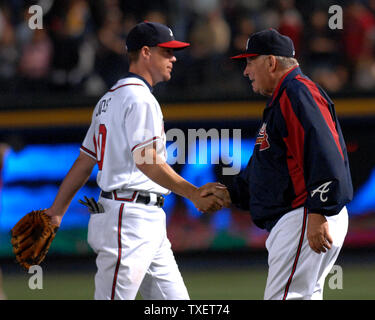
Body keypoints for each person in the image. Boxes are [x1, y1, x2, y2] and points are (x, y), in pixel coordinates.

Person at [45, 21, 224, 300]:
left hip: (144, 219)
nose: (173, 58)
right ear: (145, 53)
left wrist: (57, 211)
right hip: (127, 220)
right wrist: (193, 192)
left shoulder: (108, 99)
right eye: (166, 51)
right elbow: (147, 161)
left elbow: (85, 160)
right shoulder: (140, 99)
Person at [201, 29, 353, 300]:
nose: (246, 71)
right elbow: (271, 168)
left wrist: (319, 211)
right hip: (304, 214)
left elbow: (323, 151)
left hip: (305, 213)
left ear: (271, 62)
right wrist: (234, 193)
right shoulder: (285, 97)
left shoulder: (296, 93)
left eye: (250, 61)